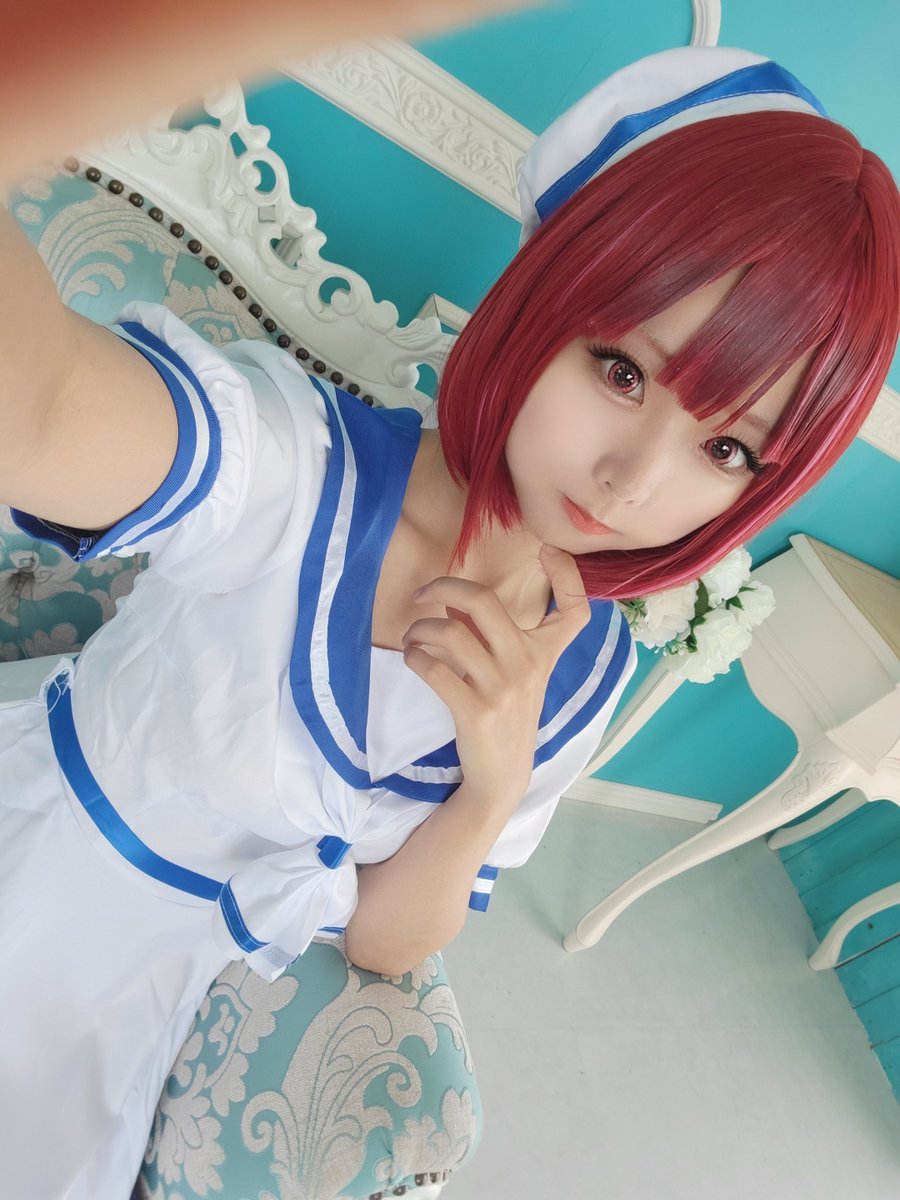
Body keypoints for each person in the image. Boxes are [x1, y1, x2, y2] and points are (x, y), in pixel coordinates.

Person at [1, 13, 898, 1198]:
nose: (633, 480)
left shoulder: (581, 669)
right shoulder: (290, 472)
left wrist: (490, 787)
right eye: (623, 370)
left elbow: (383, 941)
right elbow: (41, 413)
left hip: (137, 1014)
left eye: (726, 448)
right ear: (542, 299)